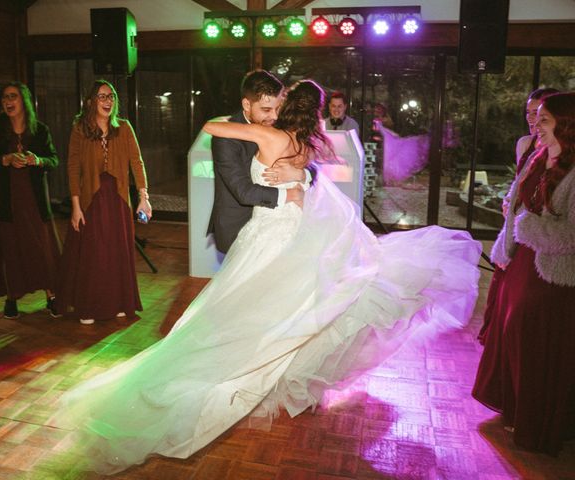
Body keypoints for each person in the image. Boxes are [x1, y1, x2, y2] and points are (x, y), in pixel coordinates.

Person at [52, 79, 481, 475]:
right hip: (291, 233)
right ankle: (261, 365)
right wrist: (296, 177)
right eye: (266, 105)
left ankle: (234, 367)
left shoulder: (267, 135)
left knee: (251, 311)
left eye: (277, 104)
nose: (272, 111)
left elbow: (211, 127)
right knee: (290, 310)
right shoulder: (309, 145)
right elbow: (301, 176)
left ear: (284, 107)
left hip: (268, 236)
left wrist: (276, 154)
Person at [473, 92, 575, 454]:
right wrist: (509, 238)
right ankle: (515, 407)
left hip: (551, 272)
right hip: (521, 262)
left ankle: (538, 421)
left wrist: (527, 228)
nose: (537, 127)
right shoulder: (537, 156)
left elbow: (570, 236)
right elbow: (518, 206)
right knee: (510, 331)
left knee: (535, 342)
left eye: (544, 121)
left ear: (564, 125)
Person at [55, 80, 151, 325]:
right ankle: (89, 306)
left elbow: (136, 163)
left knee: (117, 251)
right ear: (90, 102)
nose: (108, 101)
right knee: (94, 253)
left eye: (111, 96)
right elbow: (73, 167)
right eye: (101, 96)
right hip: (91, 199)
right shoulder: (79, 129)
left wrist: (143, 198)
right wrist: (75, 206)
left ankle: (119, 302)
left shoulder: (125, 128)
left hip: (118, 198)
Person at [478, 87, 559, 343]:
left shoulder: (561, 152)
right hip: (516, 224)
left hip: (538, 231)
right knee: (504, 283)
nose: (532, 119)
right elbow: (520, 183)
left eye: (539, 114)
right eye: (529, 112)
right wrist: (508, 201)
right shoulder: (524, 144)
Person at [0, 82, 61, 319]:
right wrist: (5, 159)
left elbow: (54, 160)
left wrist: (37, 160)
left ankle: (52, 295)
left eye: (13, 96)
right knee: (11, 250)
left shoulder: (40, 130)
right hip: (7, 202)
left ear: (24, 100)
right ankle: (12, 298)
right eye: (5, 97)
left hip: (34, 202)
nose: (8, 101)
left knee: (42, 248)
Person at [207, 69, 309, 254]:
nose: (275, 116)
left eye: (278, 108)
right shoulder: (225, 137)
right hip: (238, 228)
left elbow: (309, 161)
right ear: (247, 104)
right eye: (266, 110)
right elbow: (244, 192)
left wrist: (300, 173)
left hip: (277, 226)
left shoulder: (278, 126)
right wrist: (291, 195)